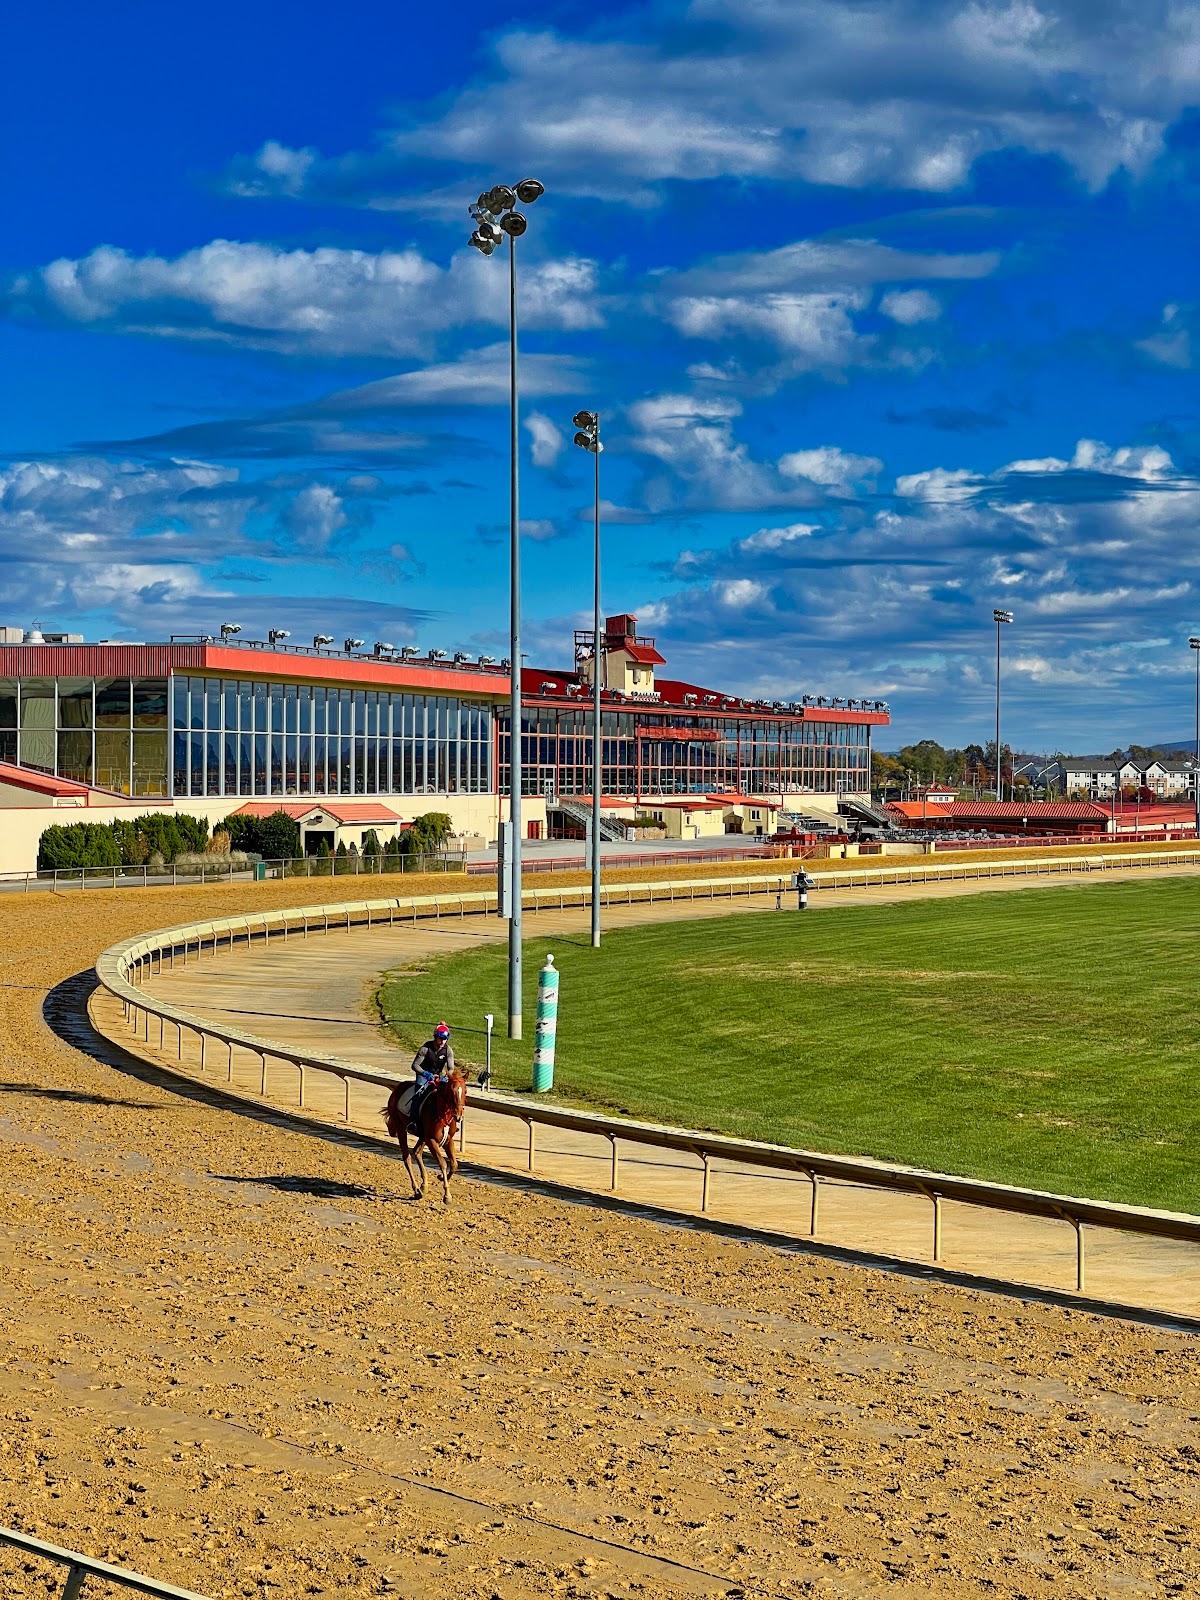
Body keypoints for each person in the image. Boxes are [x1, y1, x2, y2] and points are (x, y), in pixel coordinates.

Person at [407, 1022, 454, 1119]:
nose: (442, 1041)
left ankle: (450, 1119)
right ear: (435, 1037)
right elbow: (415, 1065)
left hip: (438, 1075)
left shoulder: (448, 1051)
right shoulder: (425, 1049)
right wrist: (425, 1073)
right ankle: (413, 1120)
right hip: (423, 1075)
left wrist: (446, 1076)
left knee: (449, 1094)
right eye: (440, 1038)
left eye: (445, 1039)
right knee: (419, 1093)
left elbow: (451, 1068)